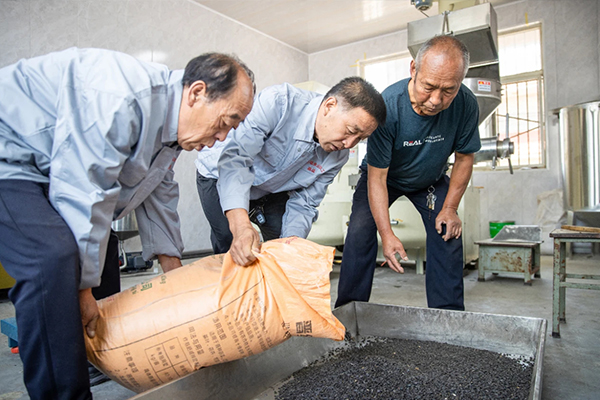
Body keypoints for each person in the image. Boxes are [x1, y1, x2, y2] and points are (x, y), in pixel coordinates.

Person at [0, 47, 255, 400]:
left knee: (97, 261)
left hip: (51, 169)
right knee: (53, 260)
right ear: (197, 93)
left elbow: (160, 193)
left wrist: (174, 273)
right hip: (10, 155)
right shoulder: (121, 97)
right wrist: (81, 290)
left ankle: (92, 361)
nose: (223, 136)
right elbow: (84, 188)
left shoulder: (170, 131)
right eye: (226, 121)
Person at [335, 35, 481, 311]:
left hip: (429, 180)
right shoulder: (388, 106)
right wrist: (387, 234)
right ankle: (349, 312)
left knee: (448, 231)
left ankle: (447, 315)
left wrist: (450, 207)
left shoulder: (466, 104)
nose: (436, 100)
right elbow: (377, 177)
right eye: (429, 87)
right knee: (359, 232)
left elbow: (464, 158)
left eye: (448, 90)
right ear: (413, 69)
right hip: (383, 178)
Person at [195, 77, 386, 266]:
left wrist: (290, 247)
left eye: (360, 138)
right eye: (351, 130)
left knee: (284, 246)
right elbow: (236, 162)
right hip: (219, 174)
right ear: (329, 106)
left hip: (271, 190)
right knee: (232, 242)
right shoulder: (278, 103)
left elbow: (306, 202)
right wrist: (241, 226)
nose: (349, 144)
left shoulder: (339, 156)